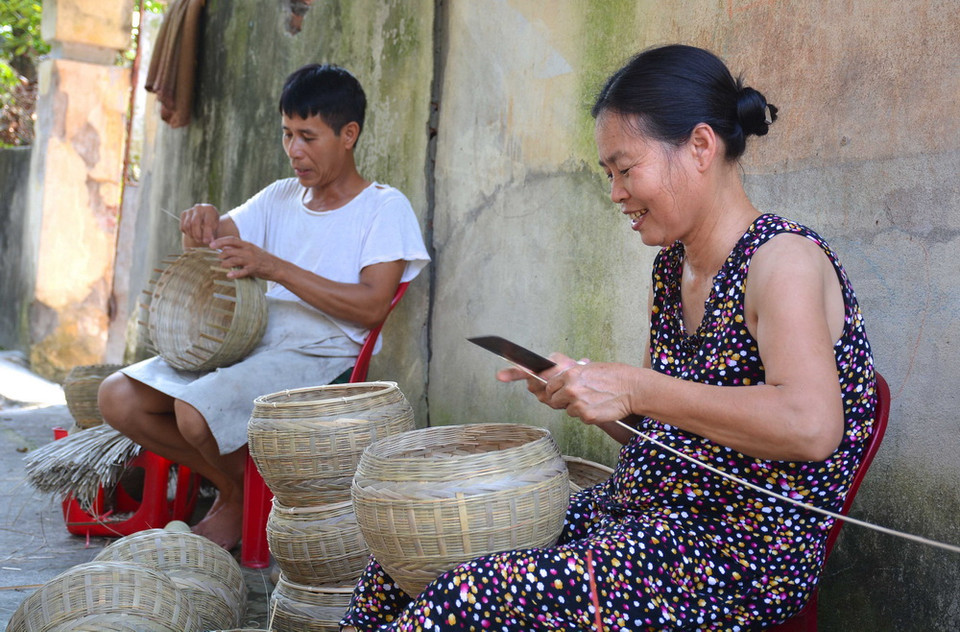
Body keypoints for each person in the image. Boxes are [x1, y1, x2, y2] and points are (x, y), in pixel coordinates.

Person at [340, 44, 876, 631]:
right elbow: (668, 434)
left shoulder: (783, 261)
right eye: (609, 175)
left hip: (730, 555)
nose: (617, 193)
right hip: (644, 517)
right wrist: (591, 396)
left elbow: (810, 425)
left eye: (626, 169)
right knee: (412, 551)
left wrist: (636, 388)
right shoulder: (674, 267)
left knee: (471, 593)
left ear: (700, 146)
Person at [99, 64, 430, 551]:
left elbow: (372, 306)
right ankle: (237, 489)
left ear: (348, 135)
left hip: (322, 357)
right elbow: (216, 239)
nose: (295, 150)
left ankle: (244, 502)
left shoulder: (383, 207)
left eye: (308, 136)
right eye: (287, 134)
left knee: (194, 414)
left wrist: (275, 268)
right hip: (254, 343)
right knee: (116, 396)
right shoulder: (280, 196)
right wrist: (202, 222)